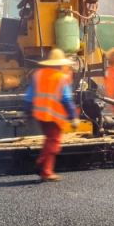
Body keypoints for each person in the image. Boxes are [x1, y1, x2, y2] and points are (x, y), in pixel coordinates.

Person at [24, 48, 80, 181]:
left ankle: (46, 170)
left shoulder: (37, 74)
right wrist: (73, 117)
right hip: (54, 116)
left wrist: (27, 111)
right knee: (54, 141)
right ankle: (41, 166)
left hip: (40, 114)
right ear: (61, 64)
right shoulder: (62, 78)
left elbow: (29, 96)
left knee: (49, 140)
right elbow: (66, 99)